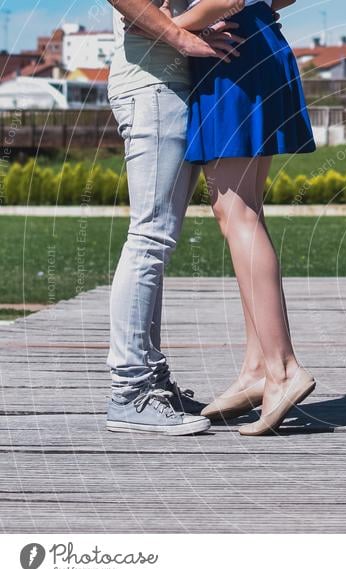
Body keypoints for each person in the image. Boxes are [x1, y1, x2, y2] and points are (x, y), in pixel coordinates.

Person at [173, 0, 318, 436]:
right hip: (251, 46)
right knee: (240, 208)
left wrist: (170, 30)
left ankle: (282, 368)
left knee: (237, 212)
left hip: (231, 55)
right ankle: (257, 367)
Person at [104, 0, 243, 435]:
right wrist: (183, 37)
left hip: (164, 86)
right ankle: (130, 391)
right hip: (151, 87)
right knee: (150, 237)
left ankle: (152, 379)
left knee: (156, 238)